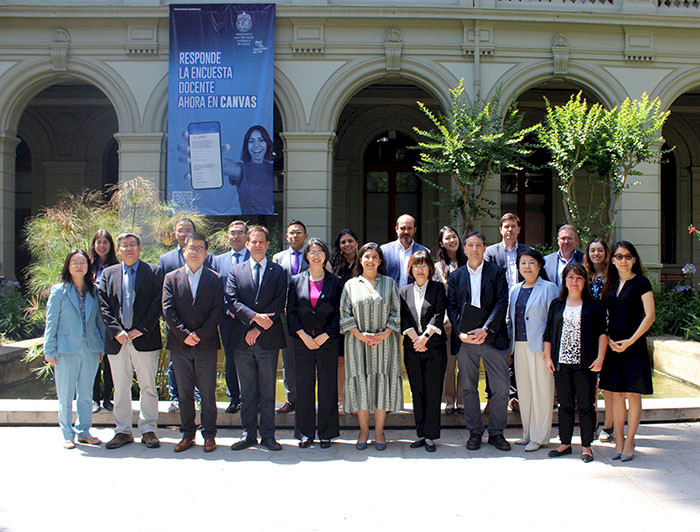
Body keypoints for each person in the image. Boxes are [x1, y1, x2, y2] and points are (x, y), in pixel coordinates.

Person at [98, 232, 164, 450]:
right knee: (121, 387)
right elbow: (103, 306)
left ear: (139, 248)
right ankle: (123, 430)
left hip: (144, 339)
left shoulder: (154, 272)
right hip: (117, 340)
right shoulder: (108, 274)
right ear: (118, 250)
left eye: (132, 245)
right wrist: (117, 330)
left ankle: (148, 429)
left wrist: (140, 329)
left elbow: (157, 304)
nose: (128, 249)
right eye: (124, 245)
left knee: (148, 386)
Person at [447, 231, 511, 452]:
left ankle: (496, 432)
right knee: (468, 388)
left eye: (478, 245)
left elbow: (502, 302)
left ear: (485, 248)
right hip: (465, 341)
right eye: (470, 245)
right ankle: (475, 431)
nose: (474, 249)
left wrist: (486, 329)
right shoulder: (456, 276)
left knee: (501, 388)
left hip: (492, 337)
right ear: (464, 249)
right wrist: (460, 334)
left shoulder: (497, 272)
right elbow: (452, 307)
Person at [226, 225, 288, 451]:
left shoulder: (278, 271)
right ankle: (248, 433)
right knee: (248, 390)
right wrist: (253, 318)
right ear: (247, 244)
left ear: (268, 245)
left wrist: (258, 329)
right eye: (254, 241)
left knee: (268, 389)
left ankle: (268, 435)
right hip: (242, 339)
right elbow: (232, 301)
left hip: (268, 340)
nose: (258, 245)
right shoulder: (236, 271)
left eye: (262, 241)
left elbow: (279, 303)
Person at [162, 233, 223, 453]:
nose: (195, 251)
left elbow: (218, 310)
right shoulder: (171, 277)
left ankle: (209, 435)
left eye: (200, 248)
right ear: (184, 251)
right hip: (180, 345)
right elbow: (168, 310)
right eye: (191, 247)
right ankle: (188, 435)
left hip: (206, 344)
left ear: (206, 253)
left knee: (207, 394)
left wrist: (200, 334)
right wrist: (184, 334)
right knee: (185, 393)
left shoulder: (215, 278)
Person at [340, 242, 402, 450]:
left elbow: (397, 312)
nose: (370, 260)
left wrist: (384, 333)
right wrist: (360, 335)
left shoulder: (389, 283)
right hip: (357, 344)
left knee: (381, 384)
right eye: (367, 256)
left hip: (385, 344)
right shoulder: (351, 285)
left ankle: (379, 432)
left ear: (380, 260)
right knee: (362, 385)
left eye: (375, 257)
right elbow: (344, 314)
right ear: (360, 259)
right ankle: (364, 431)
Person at [543, 262, 608, 463]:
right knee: (564, 405)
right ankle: (565, 443)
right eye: (570, 277)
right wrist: (547, 357)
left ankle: (587, 446)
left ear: (584, 281)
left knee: (587, 405)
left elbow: (602, 334)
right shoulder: (557, 304)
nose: (574, 282)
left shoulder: (594, 305)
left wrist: (600, 358)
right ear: (564, 281)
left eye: (579, 278)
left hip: (586, 363)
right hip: (561, 363)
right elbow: (548, 333)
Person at [600, 241, 655, 462]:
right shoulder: (609, 284)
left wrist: (630, 341)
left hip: (635, 346)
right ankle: (619, 440)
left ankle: (630, 440)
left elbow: (649, 316)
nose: (624, 260)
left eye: (628, 256)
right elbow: (602, 315)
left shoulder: (642, 283)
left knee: (633, 394)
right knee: (616, 395)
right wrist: (609, 339)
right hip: (613, 346)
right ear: (612, 260)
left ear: (634, 260)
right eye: (619, 256)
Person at [44, 249, 105, 449]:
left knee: (86, 393)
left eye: (83, 263)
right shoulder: (59, 291)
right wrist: (49, 350)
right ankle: (67, 434)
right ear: (68, 267)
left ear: (88, 267)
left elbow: (99, 321)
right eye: (75, 262)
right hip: (65, 348)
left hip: (90, 348)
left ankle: (84, 431)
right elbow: (51, 322)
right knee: (66, 393)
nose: (79, 266)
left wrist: (101, 346)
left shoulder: (94, 291)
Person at [287, 238, 343, 448]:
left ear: (325, 255)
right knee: (304, 388)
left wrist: (325, 335)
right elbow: (291, 312)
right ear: (307, 256)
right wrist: (303, 335)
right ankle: (305, 433)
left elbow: (339, 313)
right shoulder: (295, 280)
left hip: (327, 342)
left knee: (328, 388)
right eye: (312, 252)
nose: (316, 255)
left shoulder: (336, 282)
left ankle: (327, 433)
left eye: (320, 251)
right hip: (303, 343)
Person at [506, 248, 558, 452]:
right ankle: (527, 432)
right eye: (523, 263)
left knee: (542, 391)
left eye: (531, 263)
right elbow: (510, 320)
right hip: (518, 345)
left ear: (539, 266)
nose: (527, 267)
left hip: (540, 347)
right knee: (525, 391)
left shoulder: (548, 288)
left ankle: (540, 436)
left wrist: (549, 350)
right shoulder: (515, 289)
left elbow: (553, 322)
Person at [158, 218, 212, 413]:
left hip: (201, 328)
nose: (184, 233)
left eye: (188, 230)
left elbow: (211, 298)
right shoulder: (166, 260)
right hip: (175, 325)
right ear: (175, 234)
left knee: (201, 366)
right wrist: (176, 326)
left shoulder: (208, 259)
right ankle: (175, 397)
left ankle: (197, 396)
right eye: (181, 230)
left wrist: (200, 331)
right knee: (175, 363)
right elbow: (163, 296)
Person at [484, 213, 534, 412]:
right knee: (493, 354)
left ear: (519, 229)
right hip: (497, 310)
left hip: (521, 310)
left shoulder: (528, 252)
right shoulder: (491, 252)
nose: (509, 230)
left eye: (513, 226)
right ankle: (491, 396)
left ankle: (515, 396)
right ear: (500, 229)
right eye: (506, 226)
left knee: (518, 354)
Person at [400, 251, 446, 453]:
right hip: (412, 348)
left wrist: (424, 338)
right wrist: (415, 339)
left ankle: (431, 436)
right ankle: (420, 433)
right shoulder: (403, 291)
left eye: (424, 265)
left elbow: (439, 314)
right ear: (410, 269)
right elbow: (403, 318)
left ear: (430, 269)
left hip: (434, 347)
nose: (420, 269)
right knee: (417, 391)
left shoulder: (437, 289)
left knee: (433, 391)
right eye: (416, 266)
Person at [273, 220, 310, 414]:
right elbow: (275, 287)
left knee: (310, 358)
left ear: (305, 236)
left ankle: (308, 398)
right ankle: (292, 398)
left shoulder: (312, 255)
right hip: (285, 316)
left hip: (309, 316)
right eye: (291, 233)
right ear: (286, 237)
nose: (295, 236)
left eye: (299, 233)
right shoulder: (278, 258)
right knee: (289, 360)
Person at [213, 219, 250, 414]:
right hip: (228, 319)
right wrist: (227, 309)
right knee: (231, 359)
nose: (236, 236)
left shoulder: (255, 256)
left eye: (240, 232)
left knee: (253, 359)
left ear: (247, 235)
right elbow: (215, 289)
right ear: (228, 237)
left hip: (251, 320)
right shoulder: (218, 261)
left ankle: (253, 397)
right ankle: (234, 397)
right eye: (233, 233)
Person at [433, 226, 466, 415]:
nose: (452, 240)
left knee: (464, 363)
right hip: (447, 323)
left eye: (454, 236)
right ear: (441, 243)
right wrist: (446, 319)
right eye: (447, 238)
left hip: (466, 320)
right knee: (449, 363)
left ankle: (462, 400)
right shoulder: (437, 268)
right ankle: (449, 400)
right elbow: (439, 296)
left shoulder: (468, 263)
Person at [584, 237, 614, 442]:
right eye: (592, 250)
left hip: (611, 333)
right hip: (591, 335)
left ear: (606, 253)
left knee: (609, 385)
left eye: (600, 250)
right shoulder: (586, 276)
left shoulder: (613, 276)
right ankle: (592, 424)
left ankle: (609, 426)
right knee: (591, 384)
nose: (596, 254)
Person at [330, 228, 360, 413]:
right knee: (341, 360)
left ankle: (358, 399)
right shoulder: (333, 264)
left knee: (359, 360)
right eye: (343, 242)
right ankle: (341, 399)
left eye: (350, 240)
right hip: (339, 318)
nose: (347, 244)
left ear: (357, 243)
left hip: (361, 318)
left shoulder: (365, 261)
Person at [89, 229, 118, 414]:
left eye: (105, 242)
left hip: (110, 319)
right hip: (91, 319)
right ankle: (94, 398)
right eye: (98, 242)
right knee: (93, 360)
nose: (101, 245)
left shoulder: (117, 266)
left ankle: (107, 398)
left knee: (109, 361)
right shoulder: (87, 266)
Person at [227, 125, 274, 215]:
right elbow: (226, 166)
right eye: (251, 141)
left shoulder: (271, 169)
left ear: (267, 143)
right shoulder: (242, 169)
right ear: (247, 145)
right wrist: (214, 156)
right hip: (249, 219)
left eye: (261, 140)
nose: (256, 145)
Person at [380, 214, 430, 289]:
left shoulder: (424, 252)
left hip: (415, 298)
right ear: (396, 229)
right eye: (402, 228)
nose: (406, 232)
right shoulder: (384, 250)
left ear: (414, 230)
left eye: (409, 228)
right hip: (389, 298)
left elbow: (428, 279)